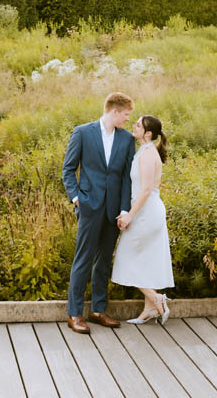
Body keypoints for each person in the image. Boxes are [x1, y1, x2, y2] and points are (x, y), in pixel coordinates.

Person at [61, 92, 137, 335]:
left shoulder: (126, 140)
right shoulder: (83, 132)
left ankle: (97, 310)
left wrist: (124, 209)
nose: (127, 119)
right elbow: (68, 169)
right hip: (89, 206)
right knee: (82, 260)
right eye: (126, 114)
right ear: (114, 111)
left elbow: (126, 177)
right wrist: (76, 198)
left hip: (113, 211)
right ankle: (74, 314)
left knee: (104, 261)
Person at [112, 115, 174, 325]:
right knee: (144, 260)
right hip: (145, 211)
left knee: (124, 259)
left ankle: (157, 299)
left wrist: (129, 214)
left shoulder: (148, 154)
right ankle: (149, 309)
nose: (133, 126)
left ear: (148, 133)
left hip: (147, 213)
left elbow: (146, 189)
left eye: (138, 125)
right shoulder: (144, 150)